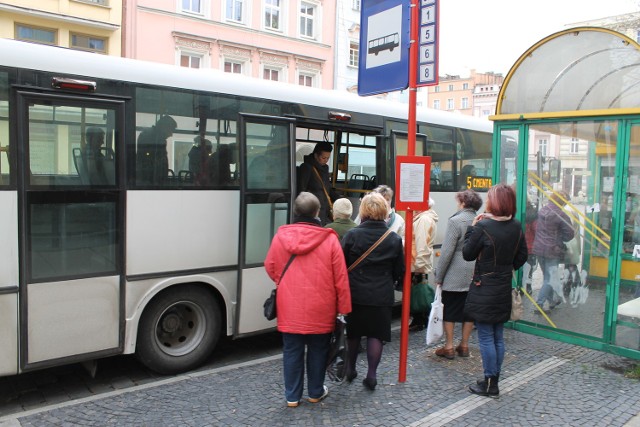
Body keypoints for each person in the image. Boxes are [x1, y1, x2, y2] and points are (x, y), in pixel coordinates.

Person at [264, 192, 352, 408]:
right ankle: (315, 392)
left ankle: (292, 397)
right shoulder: (330, 239)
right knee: (319, 349)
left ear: (295, 212)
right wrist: (344, 308)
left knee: (291, 351)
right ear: (317, 212)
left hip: (289, 305)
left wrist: (284, 282)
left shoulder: (280, 237)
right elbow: (340, 277)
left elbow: (270, 266)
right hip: (321, 306)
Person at [462, 184, 528, 398]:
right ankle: (493, 379)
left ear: (495, 202)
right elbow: (522, 257)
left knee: (486, 338)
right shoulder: (516, 225)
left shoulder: (483, 226)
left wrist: (472, 228)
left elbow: (467, 254)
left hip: (484, 289)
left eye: (490, 198)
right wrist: (504, 269)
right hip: (503, 287)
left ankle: (490, 384)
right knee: (498, 336)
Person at [342, 193, 405, 391]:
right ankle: (372, 375)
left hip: (355, 294)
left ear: (363, 211)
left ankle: (350, 368)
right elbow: (399, 270)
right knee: (376, 335)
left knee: (353, 334)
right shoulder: (393, 238)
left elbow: (341, 265)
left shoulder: (352, 235)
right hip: (381, 294)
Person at [433, 189, 483, 359]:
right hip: (473, 273)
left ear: (462, 203)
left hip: (455, 274)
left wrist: (439, 276)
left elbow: (446, 252)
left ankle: (448, 347)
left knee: (450, 311)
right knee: (468, 312)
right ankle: (464, 345)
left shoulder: (456, 221)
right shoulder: (481, 220)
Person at [532, 190, 575, 311]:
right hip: (553, 250)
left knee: (547, 276)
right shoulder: (561, 214)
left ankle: (552, 301)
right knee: (549, 278)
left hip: (539, 248)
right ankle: (539, 304)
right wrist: (561, 239)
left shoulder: (542, 211)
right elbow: (570, 234)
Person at [409, 197, 438, 331]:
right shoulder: (422, 217)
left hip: (417, 262)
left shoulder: (424, 219)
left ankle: (421, 319)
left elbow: (422, 243)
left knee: (418, 291)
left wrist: (419, 266)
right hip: (417, 260)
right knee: (418, 290)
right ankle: (420, 319)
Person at [297, 142, 340, 225]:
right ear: (316, 155)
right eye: (323, 157)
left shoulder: (325, 168)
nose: (326, 160)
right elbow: (301, 190)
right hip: (312, 211)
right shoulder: (306, 168)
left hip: (325, 210)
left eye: (328, 158)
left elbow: (327, 189)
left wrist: (339, 198)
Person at [136, 115, 177, 185]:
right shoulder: (151, 138)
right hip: (150, 183)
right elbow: (151, 163)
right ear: (164, 127)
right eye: (170, 130)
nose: (171, 134)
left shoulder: (157, 138)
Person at [522, 197, 539, 295]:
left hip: (521, 246)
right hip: (530, 247)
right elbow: (537, 230)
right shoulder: (533, 214)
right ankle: (528, 287)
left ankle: (521, 287)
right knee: (529, 270)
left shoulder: (515, 211)